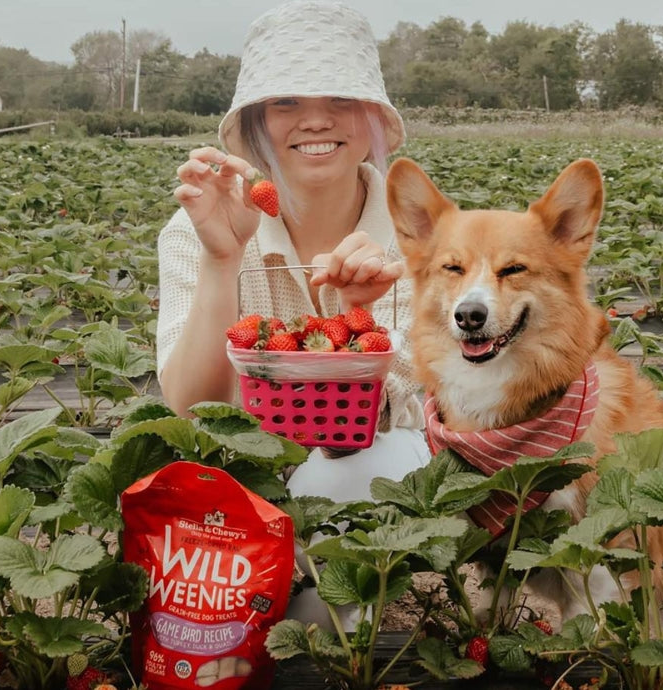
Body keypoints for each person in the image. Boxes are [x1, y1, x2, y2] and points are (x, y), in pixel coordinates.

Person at [155, 1, 431, 626]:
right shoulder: (195, 228)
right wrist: (223, 260)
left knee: (353, 474)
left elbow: (399, 410)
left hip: (377, 462)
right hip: (239, 461)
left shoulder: (423, 229)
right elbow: (188, 409)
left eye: (340, 97)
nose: (314, 120)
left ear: (372, 120)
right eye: (285, 103)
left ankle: (324, 633)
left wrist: (362, 325)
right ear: (255, 121)